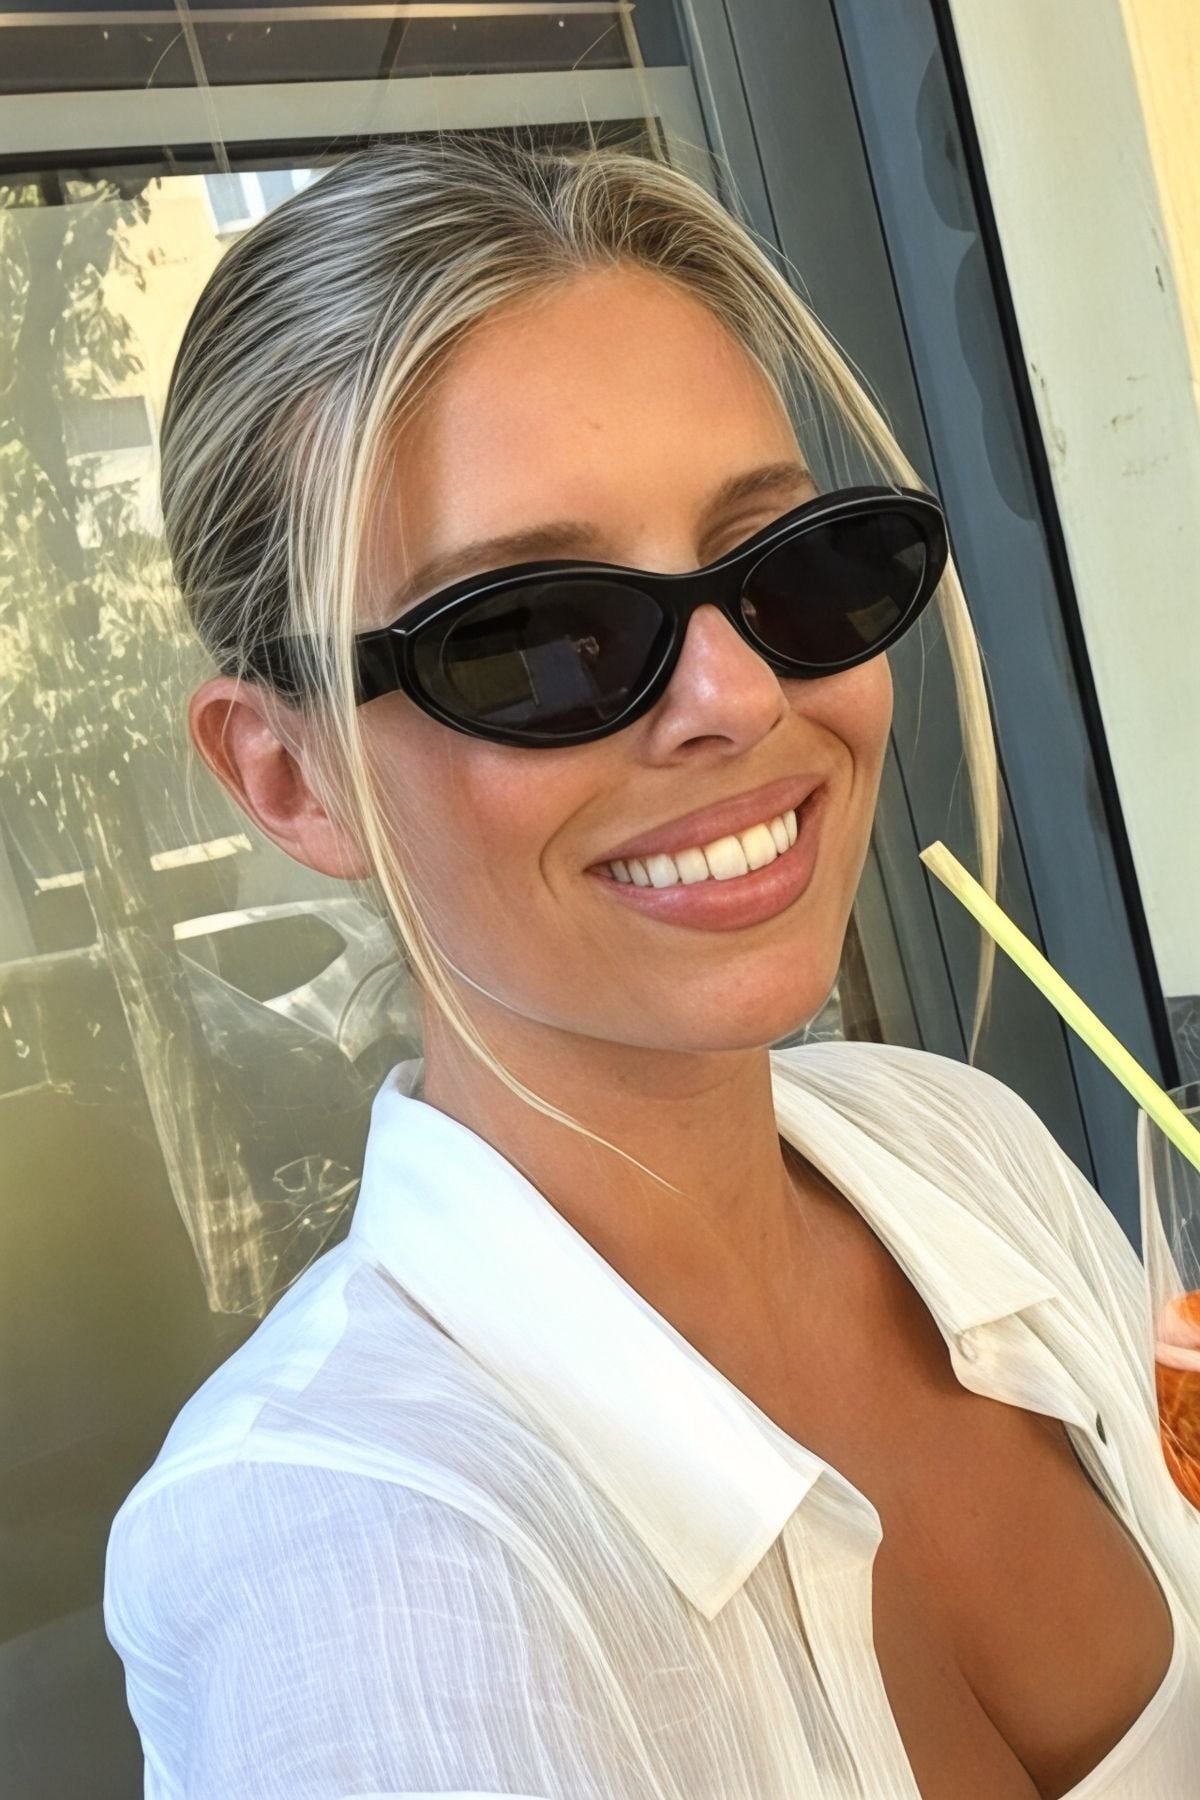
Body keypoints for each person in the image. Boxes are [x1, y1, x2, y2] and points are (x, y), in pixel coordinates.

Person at [103, 132, 1200, 1798]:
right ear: (287, 776)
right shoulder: (340, 1552)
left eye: (795, 571)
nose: (740, 698)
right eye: (535, 637)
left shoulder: (962, 1151)